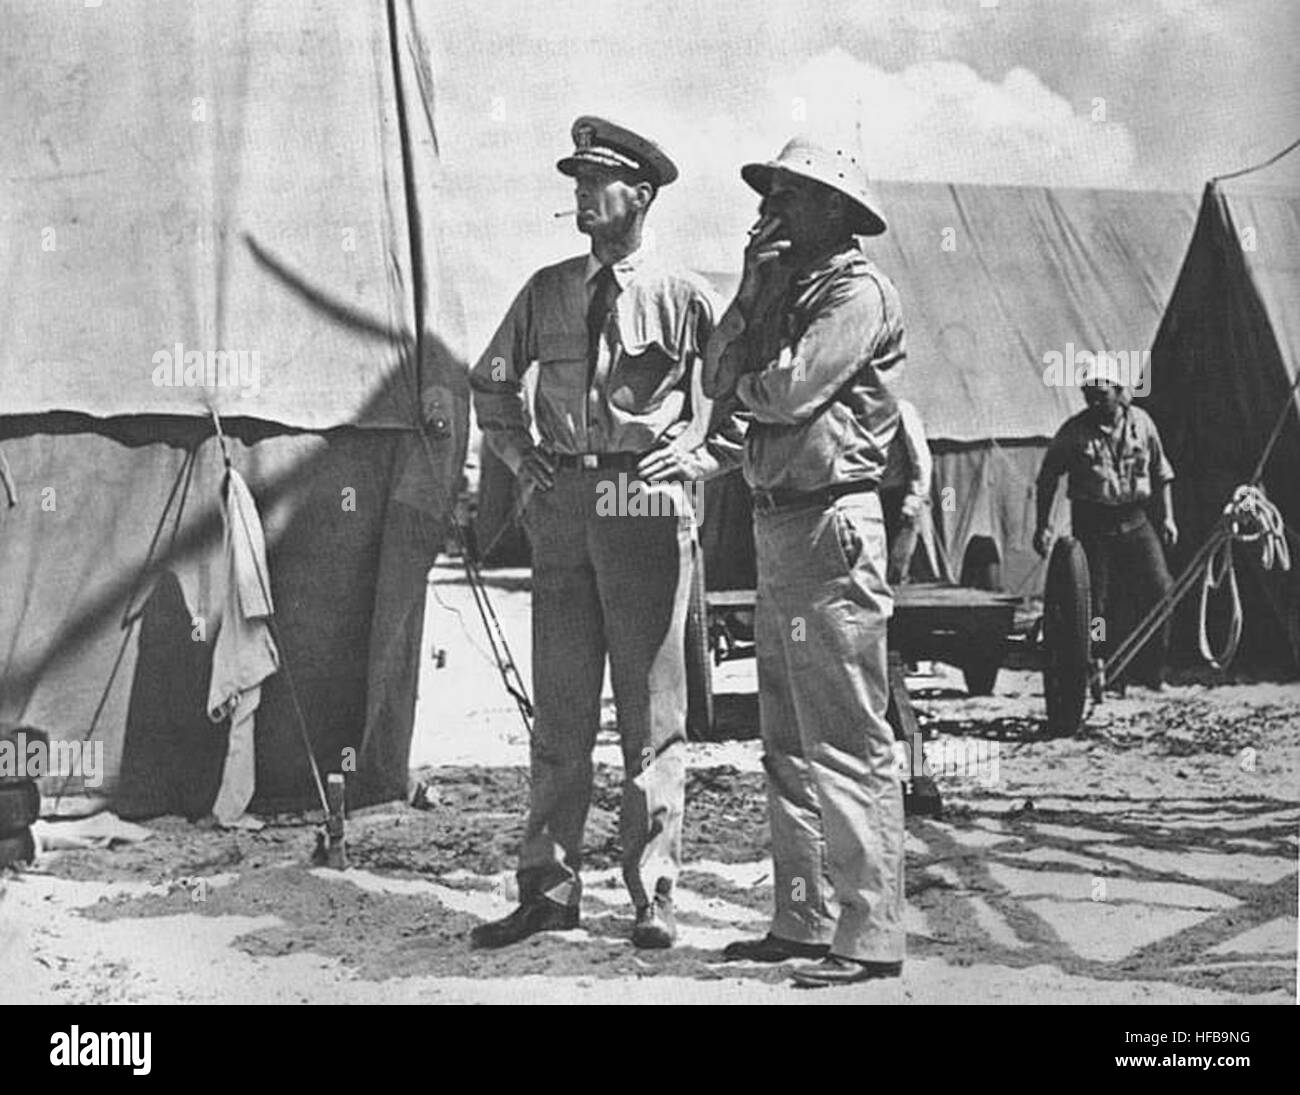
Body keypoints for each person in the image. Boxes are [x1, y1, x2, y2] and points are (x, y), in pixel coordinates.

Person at [468, 117, 744, 950]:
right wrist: (518, 453)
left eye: (600, 179)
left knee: (651, 713)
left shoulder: (684, 295)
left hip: (642, 506)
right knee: (558, 713)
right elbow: (489, 381)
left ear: (643, 194)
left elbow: (735, 399)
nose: (583, 193)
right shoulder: (546, 290)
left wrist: (696, 459)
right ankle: (547, 889)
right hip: (563, 509)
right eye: (576, 179)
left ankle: (653, 890)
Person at [705, 136, 906, 988]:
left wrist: (743, 387)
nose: (769, 210)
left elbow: (785, 390)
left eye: (788, 196)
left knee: (849, 739)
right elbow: (713, 370)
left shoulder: (857, 294)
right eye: (770, 195)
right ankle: (800, 916)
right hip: (780, 525)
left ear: (833, 209)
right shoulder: (784, 290)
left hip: (832, 525)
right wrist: (752, 291)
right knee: (786, 738)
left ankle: (870, 933)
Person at [1033, 356, 1178, 690]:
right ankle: (1101, 666)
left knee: (1161, 590)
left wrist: (1168, 517)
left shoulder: (1142, 423)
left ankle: (1152, 670)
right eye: (1089, 394)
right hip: (1093, 524)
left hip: (1136, 520)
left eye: (1101, 394)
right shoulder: (1074, 431)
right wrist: (1043, 524)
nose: (1094, 401)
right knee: (1094, 606)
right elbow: (1048, 477)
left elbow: (1162, 472)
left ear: (1119, 391)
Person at [880, 397, 932, 585]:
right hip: (874, 494)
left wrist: (914, 497)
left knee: (897, 561)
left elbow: (919, 455)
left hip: (898, 493)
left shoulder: (900, 410)